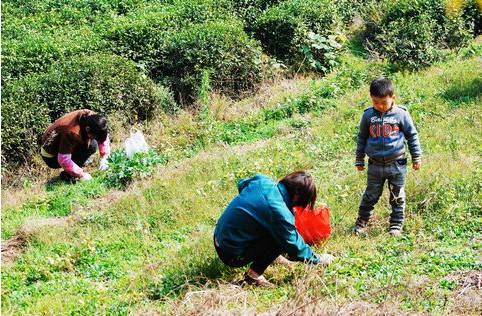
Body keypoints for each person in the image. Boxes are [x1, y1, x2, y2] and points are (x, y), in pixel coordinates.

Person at [213, 171, 335, 287]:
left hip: (219, 237)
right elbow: (294, 246)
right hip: (231, 254)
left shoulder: (261, 181)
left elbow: (242, 184)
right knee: (281, 238)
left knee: (267, 224)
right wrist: (318, 259)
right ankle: (254, 276)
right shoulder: (279, 213)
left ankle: (272, 257)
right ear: (297, 196)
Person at [354, 77, 422, 236]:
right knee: (370, 195)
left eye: (384, 102)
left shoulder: (401, 114)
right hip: (375, 165)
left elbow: (412, 135)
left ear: (393, 98)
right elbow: (362, 138)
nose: (380, 106)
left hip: (397, 164)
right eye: (376, 102)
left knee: (397, 195)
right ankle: (361, 222)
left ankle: (396, 225)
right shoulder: (368, 116)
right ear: (371, 98)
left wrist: (416, 157)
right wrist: (359, 159)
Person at [40, 109, 111, 182]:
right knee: (91, 146)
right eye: (93, 136)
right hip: (50, 156)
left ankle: (72, 170)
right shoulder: (71, 132)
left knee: (92, 144)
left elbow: (102, 136)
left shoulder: (92, 118)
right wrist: (81, 174)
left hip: (62, 147)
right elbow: (63, 159)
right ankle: (68, 175)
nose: (95, 138)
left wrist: (105, 157)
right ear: (87, 129)